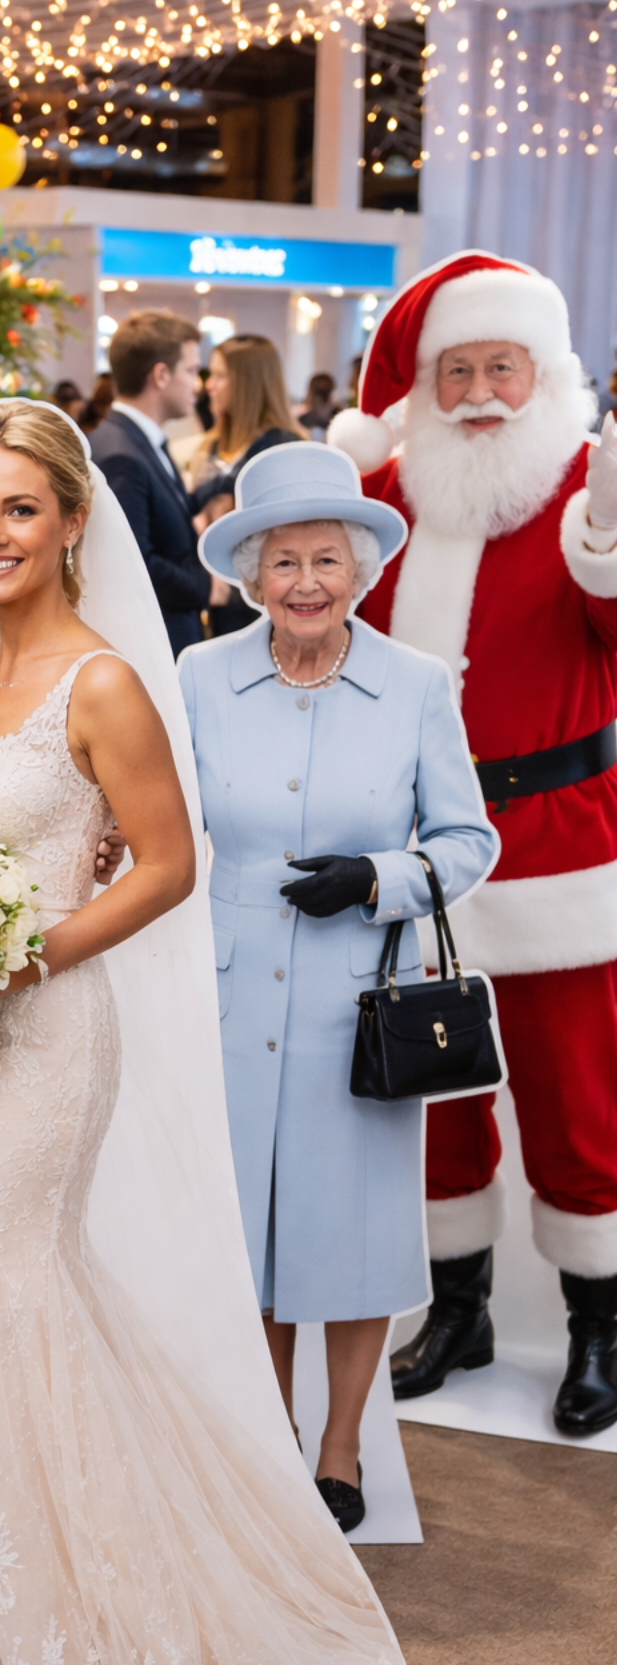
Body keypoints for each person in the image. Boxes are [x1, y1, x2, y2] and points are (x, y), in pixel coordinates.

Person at [0, 401, 420, 1665]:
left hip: (46, 1032)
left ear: (73, 522)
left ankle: (78, 1610)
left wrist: (16, 960)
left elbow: (165, 865)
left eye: (19, 509)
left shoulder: (100, 682)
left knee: (9, 1275)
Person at [179, 443, 497, 1531]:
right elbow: (167, 828)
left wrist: (380, 877)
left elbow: (466, 840)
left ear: (359, 569)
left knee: (350, 1238)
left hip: (362, 1008)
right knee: (254, 1243)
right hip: (230, 1011)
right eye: (283, 562)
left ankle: (341, 1448)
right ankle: (266, 1441)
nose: (305, 582)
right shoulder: (198, 677)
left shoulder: (414, 685)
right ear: (251, 576)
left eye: (325, 559)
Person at [328, 252, 617, 1437]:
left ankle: (600, 1316)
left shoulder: (583, 497)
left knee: (578, 1093)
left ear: (543, 374)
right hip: (422, 859)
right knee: (435, 1089)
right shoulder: (386, 493)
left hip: (559, 849)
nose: (484, 390)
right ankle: (461, 1306)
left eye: (505, 365)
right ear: (428, 385)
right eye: (459, 369)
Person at [88, 310, 226, 657]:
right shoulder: (122, 455)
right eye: (192, 370)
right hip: (153, 645)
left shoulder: (133, 440)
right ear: (161, 375)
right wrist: (204, 585)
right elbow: (134, 561)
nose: (199, 385)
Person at [191, 335, 303, 637]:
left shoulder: (283, 448)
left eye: (219, 375)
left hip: (264, 607)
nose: (208, 385)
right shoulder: (212, 444)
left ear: (247, 383)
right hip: (214, 602)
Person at [298, 372, 339, 441]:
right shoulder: (301, 421)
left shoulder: (339, 420)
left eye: (326, 392)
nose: (322, 399)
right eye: (318, 392)